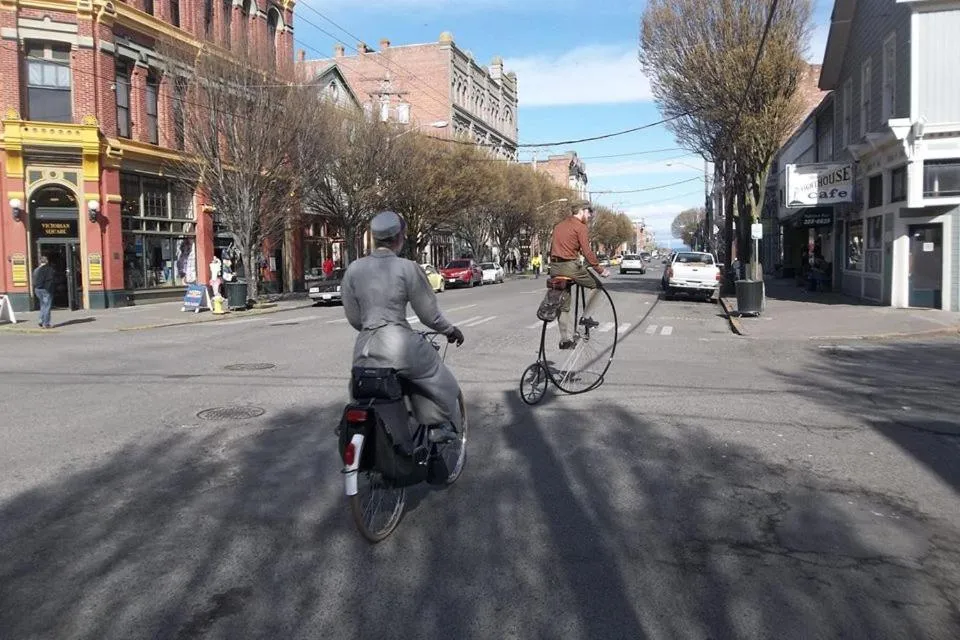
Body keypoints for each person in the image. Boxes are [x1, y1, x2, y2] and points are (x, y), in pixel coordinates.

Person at [341, 211, 466, 440]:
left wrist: (371, 328)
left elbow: (354, 318)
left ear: (375, 238)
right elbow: (429, 315)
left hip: (365, 345)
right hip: (399, 343)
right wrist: (450, 330)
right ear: (399, 237)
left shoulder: (353, 270)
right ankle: (438, 427)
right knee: (437, 376)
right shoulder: (407, 268)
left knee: (363, 387)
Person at [548, 200, 610, 349]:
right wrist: (600, 269)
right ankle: (586, 317)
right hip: (570, 267)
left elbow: (552, 248)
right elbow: (587, 252)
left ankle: (565, 340)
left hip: (555, 267)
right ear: (582, 211)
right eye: (589, 213)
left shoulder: (558, 226)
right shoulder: (580, 227)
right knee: (597, 286)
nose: (589, 216)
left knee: (563, 306)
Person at [32, 255, 54, 329]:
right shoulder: (49, 269)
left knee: (42, 305)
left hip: (37, 290)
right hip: (45, 290)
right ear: (46, 261)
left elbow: (34, 280)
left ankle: (41, 320)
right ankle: (46, 323)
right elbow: (50, 280)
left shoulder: (36, 270)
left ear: (40, 261)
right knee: (47, 306)